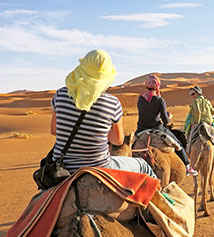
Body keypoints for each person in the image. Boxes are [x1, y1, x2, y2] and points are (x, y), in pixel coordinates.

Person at [50, 49, 156, 178]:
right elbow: (117, 140)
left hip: (62, 165)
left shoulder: (60, 95)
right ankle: (162, 197)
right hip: (99, 166)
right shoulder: (112, 103)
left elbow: (54, 130)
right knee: (143, 165)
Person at [136, 73, 198, 176]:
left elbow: (146, 113)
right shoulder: (160, 100)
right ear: (157, 86)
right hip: (157, 128)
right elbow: (166, 122)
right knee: (178, 144)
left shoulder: (140, 99)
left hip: (141, 129)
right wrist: (169, 117)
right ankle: (187, 167)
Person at [185, 86, 214, 151]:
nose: (192, 96)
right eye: (191, 95)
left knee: (187, 131)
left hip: (198, 122)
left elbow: (197, 112)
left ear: (198, 93)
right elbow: (213, 111)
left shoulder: (195, 101)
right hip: (209, 122)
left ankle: (187, 148)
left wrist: (197, 123)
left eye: (193, 94)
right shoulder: (207, 101)